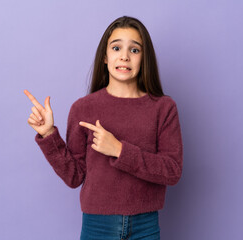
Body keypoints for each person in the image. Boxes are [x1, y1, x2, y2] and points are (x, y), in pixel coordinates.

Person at [24, 16, 183, 240]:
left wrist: (119, 150)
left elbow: (172, 170)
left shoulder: (164, 108)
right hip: (97, 226)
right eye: (116, 47)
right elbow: (74, 176)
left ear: (144, 58)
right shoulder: (83, 108)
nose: (124, 56)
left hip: (146, 226)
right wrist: (48, 134)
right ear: (105, 58)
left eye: (135, 50)